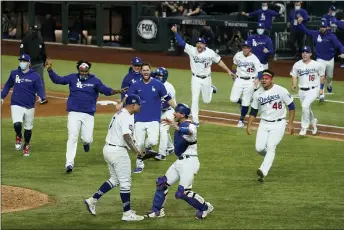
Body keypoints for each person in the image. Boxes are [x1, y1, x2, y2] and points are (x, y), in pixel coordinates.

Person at [45, 58, 127, 173]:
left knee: (87, 138)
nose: (83, 73)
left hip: (88, 114)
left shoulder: (95, 81)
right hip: (74, 112)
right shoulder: (72, 77)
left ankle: (86, 143)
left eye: (85, 71)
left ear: (88, 70)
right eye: (81, 71)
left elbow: (105, 90)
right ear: (78, 70)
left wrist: (117, 91)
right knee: (72, 137)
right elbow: (58, 80)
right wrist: (49, 70)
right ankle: (69, 163)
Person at [144, 103, 214, 219]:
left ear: (182, 114)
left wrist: (177, 127)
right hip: (180, 162)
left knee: (182, 193)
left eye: (176, 111)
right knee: (162, 184)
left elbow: (191, 131)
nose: (173, 113)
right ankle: (157, 211)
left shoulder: (189, 125)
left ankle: (206, 207)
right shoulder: (180, 122)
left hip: (190, 162)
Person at [84, 94, 145, 221]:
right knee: (125, 183)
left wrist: (137, 148)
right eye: (139, 104)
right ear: (133, 105)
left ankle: (92, 200)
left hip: (108, 149)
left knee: (115, 179)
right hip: (118, 152)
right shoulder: (126, 116)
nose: (140, 106)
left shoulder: (120, 113)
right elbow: (126, 136)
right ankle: (127, 214)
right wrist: (136, 152)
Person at [171, 25, 235, 126]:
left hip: (207, 79)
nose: (199, 45)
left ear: (204, 45)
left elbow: (219, 61)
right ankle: (195, 120)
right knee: (195, 98)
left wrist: (228, 71)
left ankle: (210, 88)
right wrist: (175, 32)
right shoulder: (192, 50)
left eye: (201, 43)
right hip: (195, 78)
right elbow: (182, 43)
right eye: (198, 43)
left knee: (206, 101)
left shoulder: (210, 53)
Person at [123, 63, 176, 173]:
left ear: (150, 71)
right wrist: (121, 106)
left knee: (152, 141)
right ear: (141, 72)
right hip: (139, 119)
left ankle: (146, 150)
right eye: (144, 70)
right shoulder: (135, 85)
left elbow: (167, 98)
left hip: (153, 119)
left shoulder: (158, 85)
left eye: (147, 70)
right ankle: (139, 164)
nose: (145, 72)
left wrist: (177, 108)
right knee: (139, 143)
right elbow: (128, 99)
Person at [247, 70, 295, 182]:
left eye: (266, 78)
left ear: (271, 80)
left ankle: (263, 170)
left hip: (279, 124)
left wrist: (291, 123)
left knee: (271, 146)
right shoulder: (257, 94)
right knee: (259, 148)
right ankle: (269, 157)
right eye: (262, 78)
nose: (264, 80)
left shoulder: (281, 90)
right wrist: (249, 125)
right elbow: (253, 111)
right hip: (264, 123)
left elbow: (291, 107)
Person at [1, 54, 46, 156]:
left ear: (29, 63)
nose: (22, 63)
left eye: (24, 61)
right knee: (17, 124)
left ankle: (26, 145)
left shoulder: (35, 76)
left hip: (30, 105)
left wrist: (41, 96)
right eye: (21, 61)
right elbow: (8, 85)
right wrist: (2, 96)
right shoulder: (14, 73)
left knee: (28, 128)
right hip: (16, 103)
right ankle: (18, 135)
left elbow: (40, 88)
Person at [296, 19, 344, 97]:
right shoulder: (316, 34)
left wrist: (342, 53)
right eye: (321, 27)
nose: (322, 28)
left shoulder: (332, 36)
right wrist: (299, 23)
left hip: (330, 59)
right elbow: (306, 30)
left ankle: (329, 84)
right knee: (321, 75)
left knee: (329, 76)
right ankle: (321, 93)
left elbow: (340, 46)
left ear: (327, 27)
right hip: (320, 59)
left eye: (324, 27)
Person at [290, 46, 325, 136]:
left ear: (310, 54)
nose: (305, 54)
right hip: (301, 90)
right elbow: (294, 75)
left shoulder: (316, 64)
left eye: (307, 52)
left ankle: (304, 127)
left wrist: (321, 88)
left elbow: (322, 75)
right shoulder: (297, 64)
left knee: (305, 106)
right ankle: (313, 123)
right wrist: (294, 84)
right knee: (306, 108)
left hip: (313, 89)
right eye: (303, 52)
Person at [230, 40, 263, 128]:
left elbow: (260, 71)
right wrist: (233, 72)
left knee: (245, 103)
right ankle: (242, 102)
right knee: (233, 99)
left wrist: (257, 79)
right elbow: (234, 64)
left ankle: (241, 120)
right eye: (244, 47)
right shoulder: (238, 55)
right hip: (239, 79)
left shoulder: (254, 58)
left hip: (250, 81)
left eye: (247, 47)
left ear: (250, 49)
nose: (245, 49)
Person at [20, 25, 48, 104]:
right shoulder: (26, 39)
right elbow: (22, 51)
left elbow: (43, 52)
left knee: (40, 80)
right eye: (34, 31)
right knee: (26, 80)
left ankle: (42, 97)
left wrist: (44, 61)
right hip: (28, 64)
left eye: (36, 31)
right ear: (30, 30)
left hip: (39, 63)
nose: (35, 32)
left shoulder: (40, 39)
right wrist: (24, 62)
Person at [153, 67, 176, 160]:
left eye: (160, 75)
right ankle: (170, 148)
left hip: (169, 110)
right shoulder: (154, 84)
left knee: (163, 129)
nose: (158, 77)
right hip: (160, 110)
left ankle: (162, 154)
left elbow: (166, 103)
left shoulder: (168, 87)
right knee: (164, 130)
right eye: (157, 75)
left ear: (164, 76)